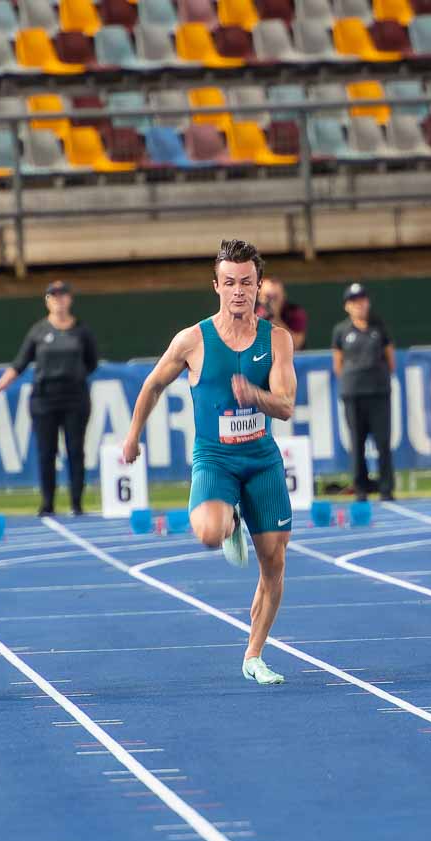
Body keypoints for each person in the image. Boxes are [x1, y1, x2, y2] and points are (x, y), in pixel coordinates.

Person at [121, 240, 297, 685]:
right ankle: (230, 521)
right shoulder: (192, 340)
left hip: (261, 461)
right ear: (216, 286)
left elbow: (287, 405)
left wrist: (255, 395)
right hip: (215, 459)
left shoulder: (276, 339)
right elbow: (153, 385)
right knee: (207, 533)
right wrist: (133, 434)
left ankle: (254, 654)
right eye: (231, 283)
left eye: (247, 283)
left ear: (259, 287)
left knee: (273, 564)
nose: (239, 291)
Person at [0, 279, 99, 517]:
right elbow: (20, 363)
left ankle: (76, 503)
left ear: (70, 299)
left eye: (63, 295)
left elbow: (92, 362)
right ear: (47, 300)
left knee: (75, 450)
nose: (59, 300)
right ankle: (47, 503)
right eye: (53, 296)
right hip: (44, 398)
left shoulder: (81, 330)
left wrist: (73, 377)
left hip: (75, 398)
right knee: (46, 452)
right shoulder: (39, 331)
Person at [332, 282, 396, 501]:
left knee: (383, 442)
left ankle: (386, 489)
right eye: (354, 301)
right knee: (356, 443)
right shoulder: (341, 331)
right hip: (353, 393)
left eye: (362, 299)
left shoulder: (379, 327)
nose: (359, 305)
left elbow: (390, 359)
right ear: (346, 306)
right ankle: (360, 488)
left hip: (378, 392)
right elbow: (338, 363)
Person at [257, 276, 308, 351]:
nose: (271, 301)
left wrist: (275, 319)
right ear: (259, 297)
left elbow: (296, 345)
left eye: (275, 297)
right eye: (267, 297)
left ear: (283, 296)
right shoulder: (251, 313)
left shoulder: (294, 312)